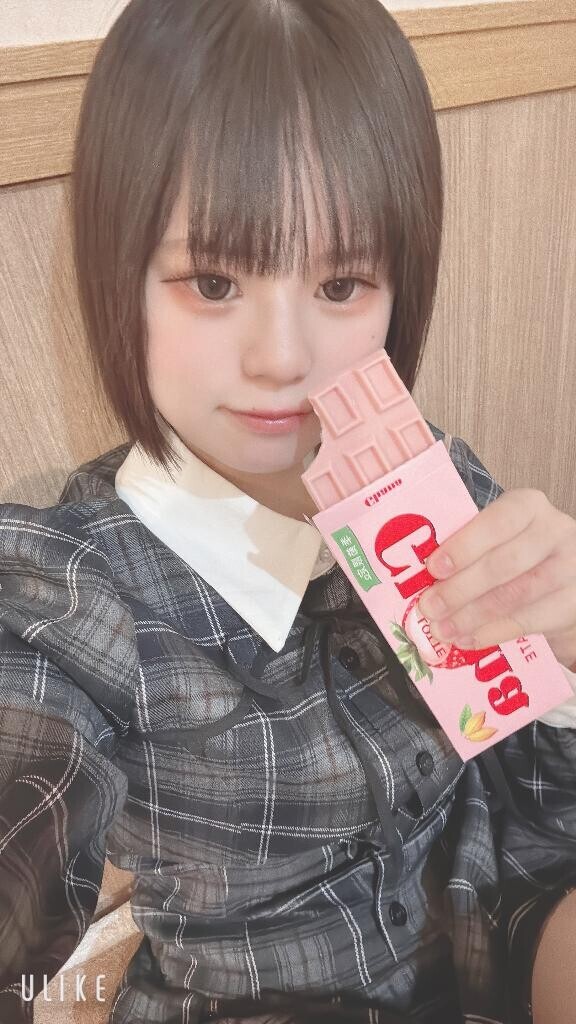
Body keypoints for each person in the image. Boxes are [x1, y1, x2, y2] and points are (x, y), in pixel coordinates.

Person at [1, 1, 576, 1022]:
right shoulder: (72, 590)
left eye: (342, 282)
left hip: (498, 912)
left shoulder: (431, 483)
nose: (282, 357)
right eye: (213, 280)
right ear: (119, 273)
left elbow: (526, 773)